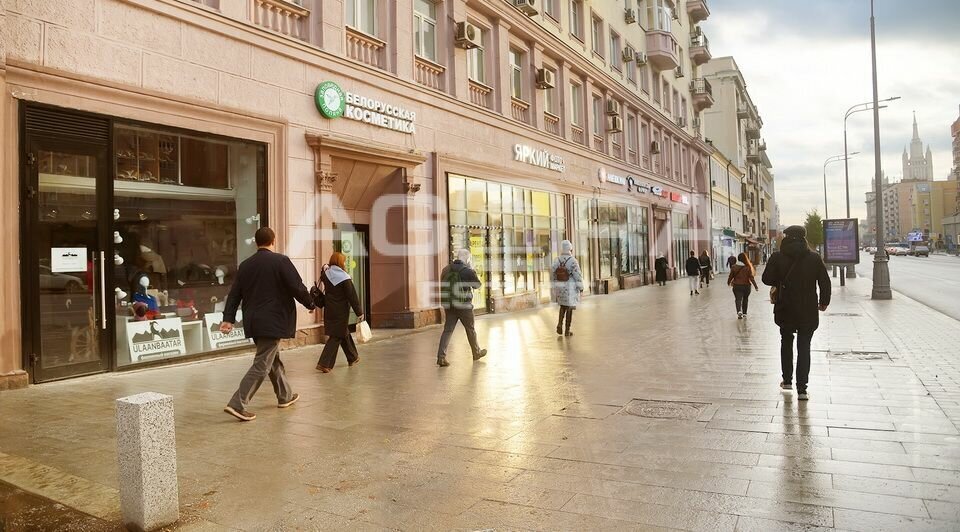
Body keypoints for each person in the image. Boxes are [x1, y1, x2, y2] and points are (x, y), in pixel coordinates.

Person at [221, 227, 315, 422]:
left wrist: (228, 319)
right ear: (274, 240)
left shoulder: (246, 265)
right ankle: (237, 403)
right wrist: (310, 303)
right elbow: (296, 287)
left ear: (256, 243)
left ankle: (285, 395)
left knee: (272, 358)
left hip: (254, 321)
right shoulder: (281, 261)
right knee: (263, 363)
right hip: (273, 320)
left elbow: (234, 294)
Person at [762, 225, 830, 401]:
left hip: (785, 307)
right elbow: (824, 281)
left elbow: (766, 279)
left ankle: (787, 381)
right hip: (807, 308)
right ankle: (802, 389)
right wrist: (823, 302)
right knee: (804, 347)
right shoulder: (814, 258)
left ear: (786, 238)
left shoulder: (777, 257)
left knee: (786, 342)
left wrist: (780, 277)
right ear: (804, 238)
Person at [436, 249, 487, 367]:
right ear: (467, 258)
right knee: (470, 329)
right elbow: (477, 285)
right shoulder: (468, 271)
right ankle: (476, 352)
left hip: (450, 305)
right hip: (465, 306)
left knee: (447, 330)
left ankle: (441, 357)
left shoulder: (446, 269)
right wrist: (472, 271)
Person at [316, 252, 364, 373]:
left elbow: (323, 272)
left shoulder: (326, 274)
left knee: (343, 333)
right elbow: (352, 296)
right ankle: (324, 363)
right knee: (336, 336)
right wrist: (359, 312)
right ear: (340, 262)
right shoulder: (344, 278)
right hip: (341, 312)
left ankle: (352, 357)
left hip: (329, 310)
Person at [551, 240, 584, 336]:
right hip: (570, 288)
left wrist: (554, 285)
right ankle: (567, 330)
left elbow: (553, 273)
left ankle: (559, 324)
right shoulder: (573, 261)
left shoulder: (557, 260)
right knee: (569, 308)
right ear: (570, 248)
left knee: (562, 306)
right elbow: (577, 275)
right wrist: (581, 288)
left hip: (560, 287)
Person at [728, 252, 759, 319]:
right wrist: (756, 286)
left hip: (737, 286)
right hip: (746, 286)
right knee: (745, 299)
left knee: (738, 299)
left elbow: (731, 276)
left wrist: (728, 282)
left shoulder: (734, 267)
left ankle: (739, 311)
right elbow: (751, 277)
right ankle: (744, 313)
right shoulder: (748, 267)